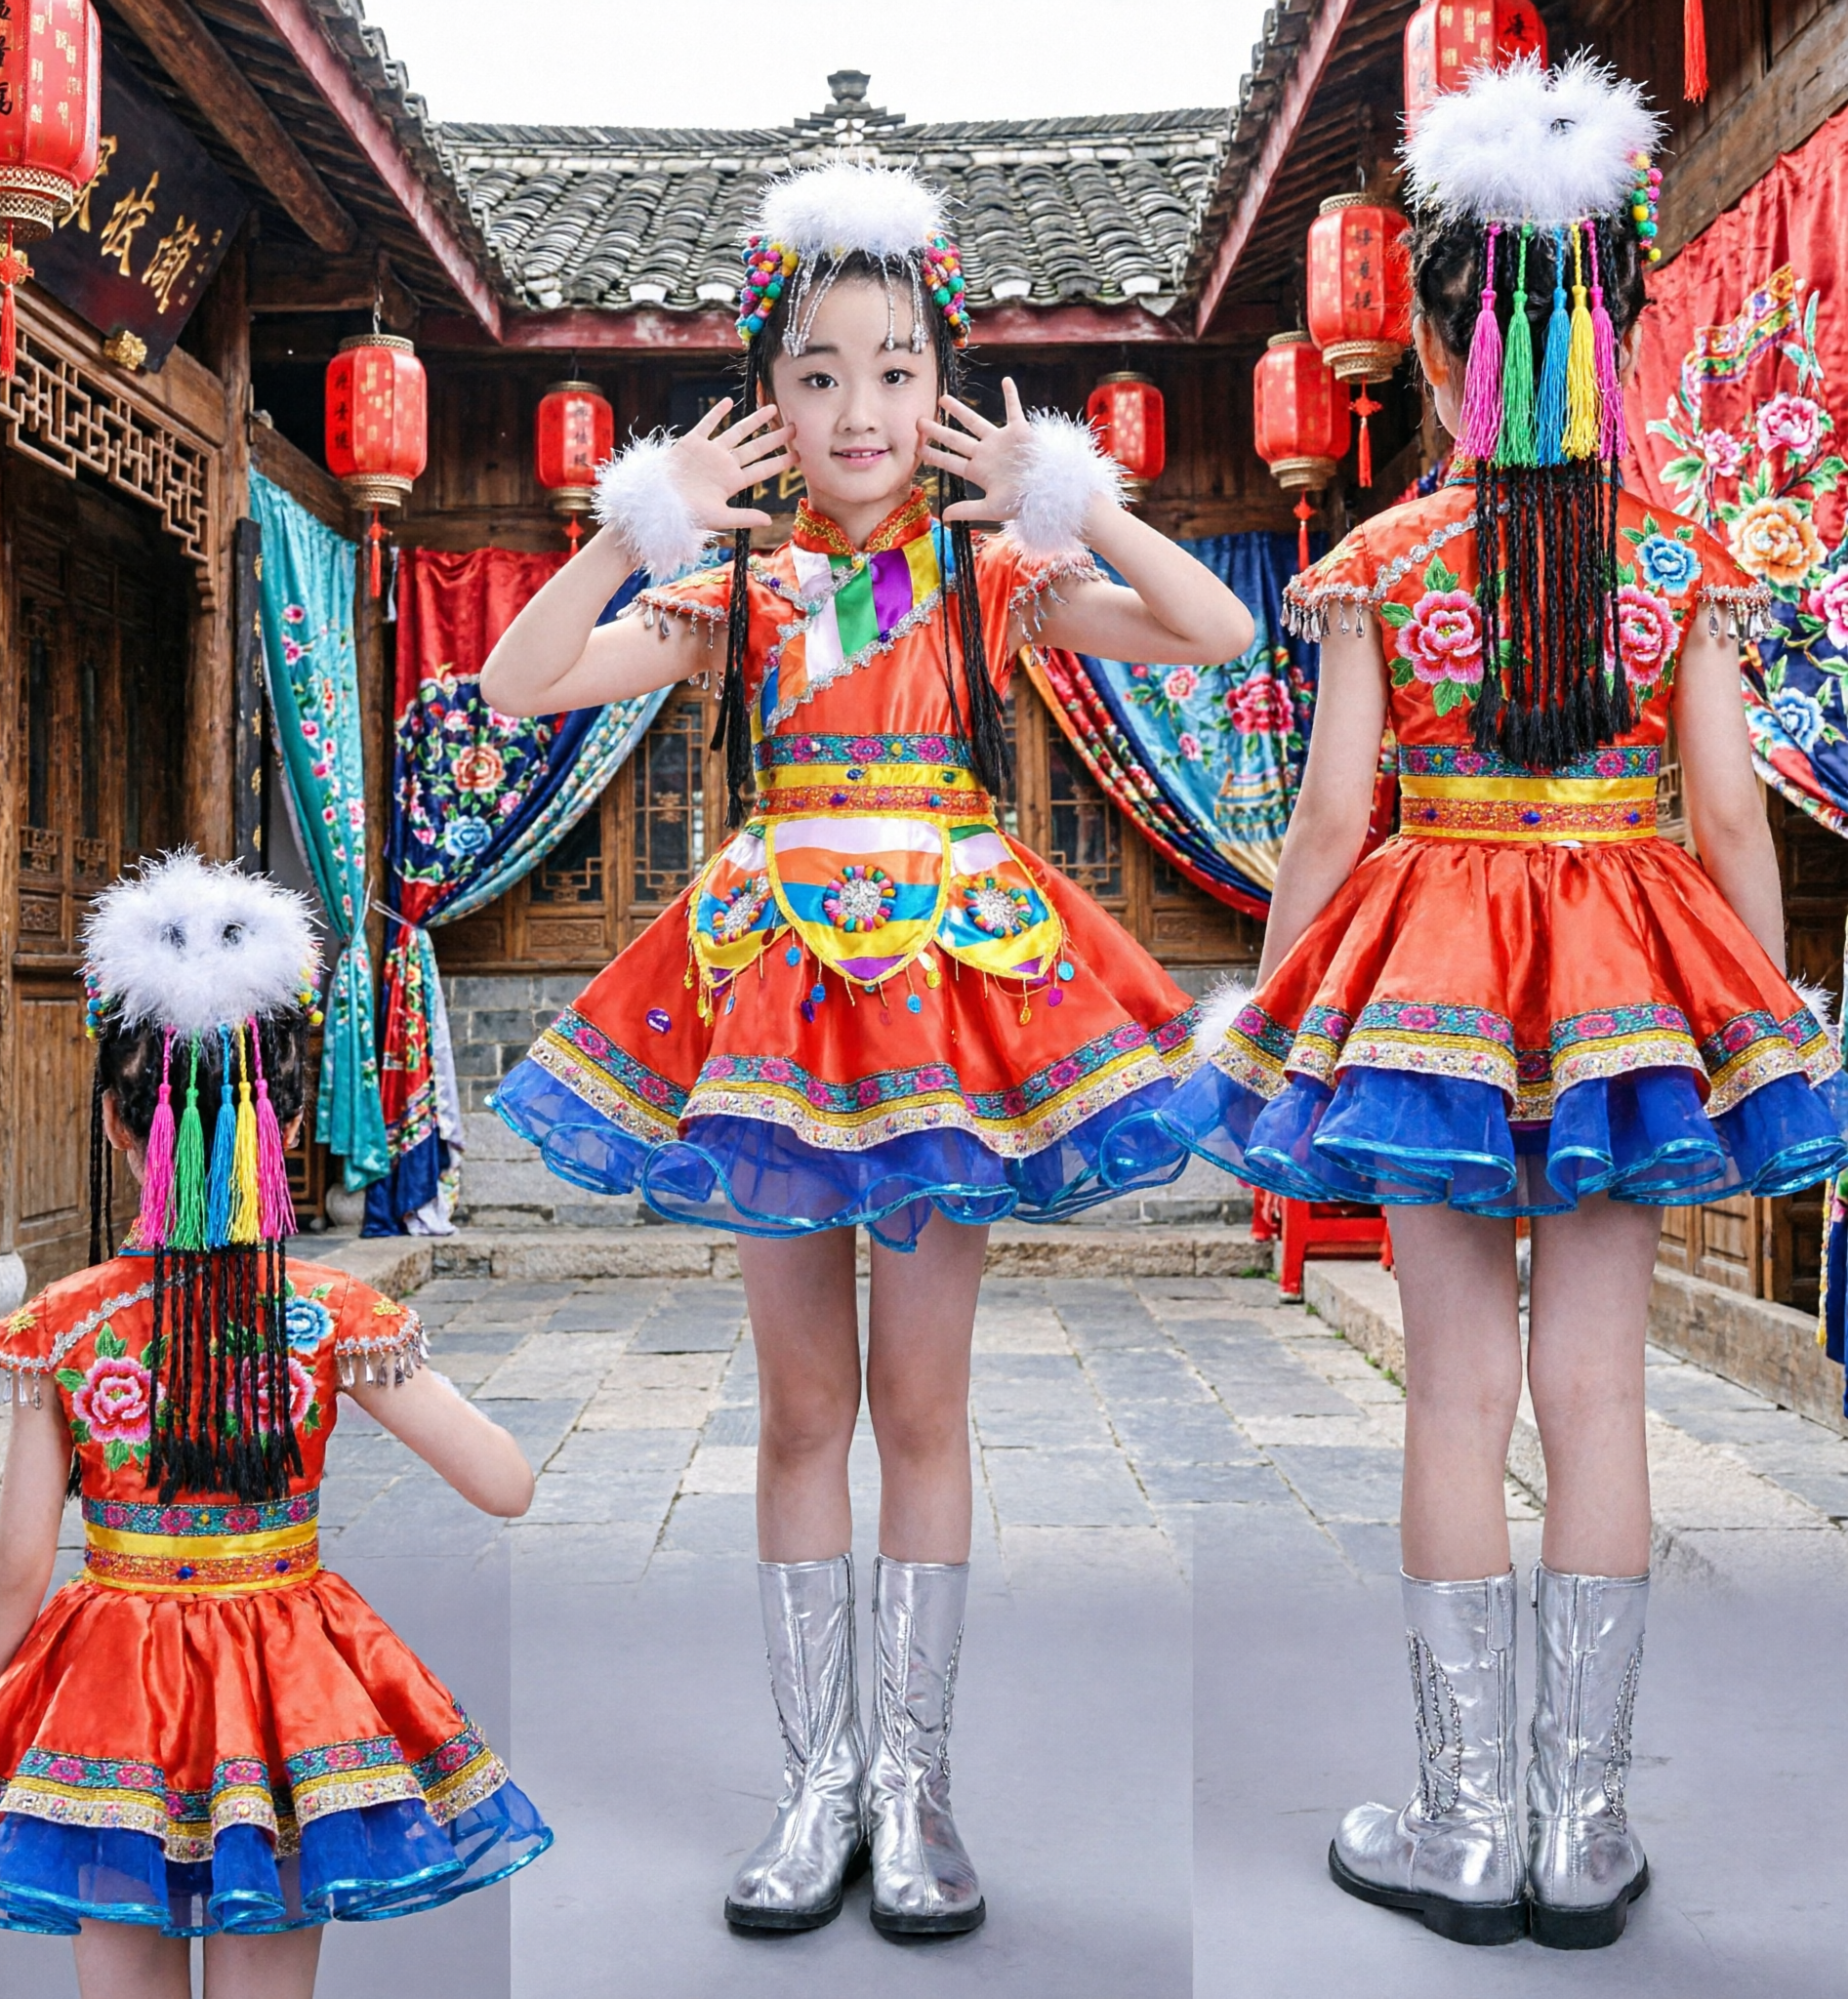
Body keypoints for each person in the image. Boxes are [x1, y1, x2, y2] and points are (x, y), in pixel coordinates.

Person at [482, 160, 1253, 1938]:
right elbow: (522, 686)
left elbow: (1211, 632)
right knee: (799, 1408)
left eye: (895, 371)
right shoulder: (735, 593)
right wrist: (633, 520)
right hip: (772, 998)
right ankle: (811, 1786)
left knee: (920, 1400)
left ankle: (914, 1789)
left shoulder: (996, 580)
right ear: (766, 396)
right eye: (816, 374)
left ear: (945, 389)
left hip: (946, 997)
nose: (856, 411)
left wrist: (1069, 498)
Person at [1174, 57, 1848, 1951]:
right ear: (1616, 314)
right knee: (1600, 1391)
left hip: (1430, 997)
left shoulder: (1382, 566)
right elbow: (1726, 811)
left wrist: (1279, 1016)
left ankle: (1463, 1830)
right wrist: (1759, 1018)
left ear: (1442, 328)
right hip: (1637, 981)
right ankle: (1584, 1831)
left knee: (1455, 1400)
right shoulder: (1675, 565)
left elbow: (1328, 823)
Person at [0, 852, 551, 1996]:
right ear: (284, 1117)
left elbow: (18, 1559)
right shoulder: (333, 1316)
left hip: (108, 1684)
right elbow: (507, 1483)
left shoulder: (63, 1328)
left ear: (111, 1122)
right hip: (293, 1672)